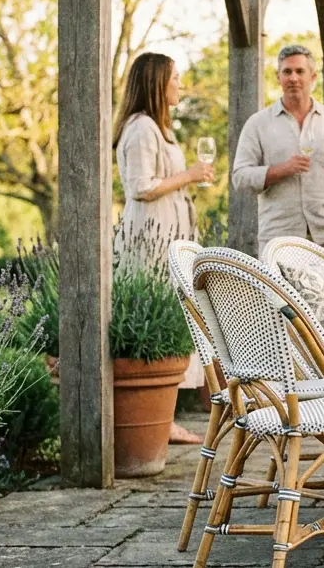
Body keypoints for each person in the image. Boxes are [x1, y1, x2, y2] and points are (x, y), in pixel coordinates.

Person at [113, 52, 212, 445]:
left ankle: (166, 418)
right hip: (149, 238)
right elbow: (140, 185)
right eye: (174, 78)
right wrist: (188, 176)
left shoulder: (158, 128)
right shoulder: (141, 129)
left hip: (168, 235)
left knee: (171, 321)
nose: (180, 84)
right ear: (156, 83)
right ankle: (160, 420)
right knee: (158, 322)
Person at [232, 44, 324, 256]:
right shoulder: (258, 123)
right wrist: (281, 169)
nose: (293, 78)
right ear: (278, 77)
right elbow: (240, 177)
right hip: (279, 243)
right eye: (287, 71)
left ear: (313, 77)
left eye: (300, 71)